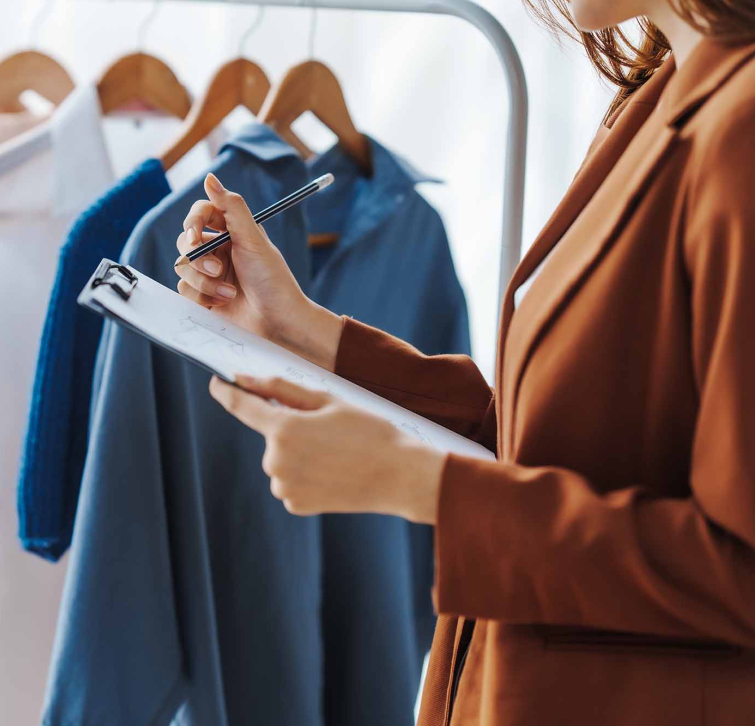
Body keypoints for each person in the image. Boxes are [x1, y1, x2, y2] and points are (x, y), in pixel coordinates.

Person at [172, 0, 755, 723]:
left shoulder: (741, 133)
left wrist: (425, 487)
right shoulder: (658, 94)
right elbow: (543, 440)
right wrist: (299, 328)